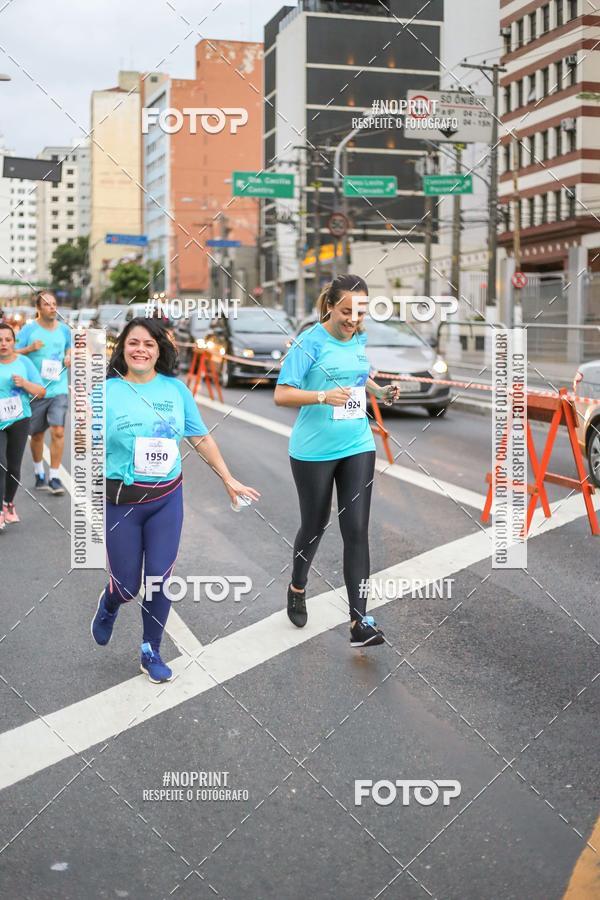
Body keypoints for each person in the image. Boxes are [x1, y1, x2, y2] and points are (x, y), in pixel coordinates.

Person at [91, 317, 260, 683]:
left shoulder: (175, 390)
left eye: (149, 344)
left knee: (159, 580)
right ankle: (110, 601)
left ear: (158, 351)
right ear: (122, 348)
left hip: (166, 499)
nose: (140, 350)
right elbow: (86, 444)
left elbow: (200, 438)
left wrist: (228, 479)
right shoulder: (105, 391)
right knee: (126, 585)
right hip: (122, 500)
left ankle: (150, 649)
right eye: (133, 343)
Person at [274, 274, 399, 648]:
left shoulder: (359, 338)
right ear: (330, 305)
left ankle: (359, 621)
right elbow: (282, 394)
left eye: (360, 312)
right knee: (315, 525)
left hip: (357, 443)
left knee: (356, 530)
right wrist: (321, 397)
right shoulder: (309, 342)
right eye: (347, 311)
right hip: (313, 450)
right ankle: (297, 586)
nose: (353, 319)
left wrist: (379, 390)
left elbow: (358, 374)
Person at [16, 291, 71, 494]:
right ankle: (39, 473)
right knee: (37, 435)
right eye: (47, 304)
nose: (52, 307)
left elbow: (70, 348)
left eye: (54, 304)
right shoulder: (28, 330)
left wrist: (69, 356)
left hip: (59, 388)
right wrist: (29, 348)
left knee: (58, 431)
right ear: (39, 308)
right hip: (36, 390)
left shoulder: (64, 330)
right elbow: (12, 352)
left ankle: (55, 477)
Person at [0, 322, 46, 529]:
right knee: (1, 464)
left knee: (13, 467)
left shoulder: (24, 362)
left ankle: (9, 503)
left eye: (8, 340)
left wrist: (24, 384)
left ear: (14, 342)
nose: (3, 344)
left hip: (20, 419)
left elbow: (40, 391)